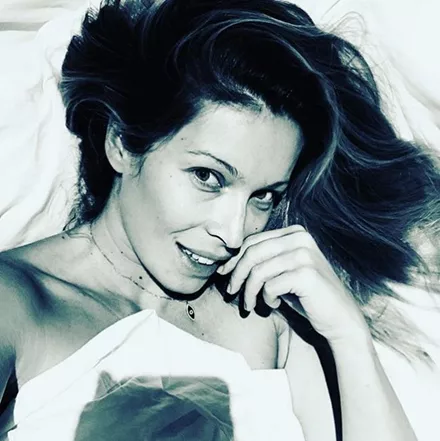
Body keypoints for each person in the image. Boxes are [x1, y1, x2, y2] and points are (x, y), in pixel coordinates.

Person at [0, 0, 439, 440]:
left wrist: (348, 334)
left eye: (264, 196)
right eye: (208, 177)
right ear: (122, 145)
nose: (232, 233)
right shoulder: (18, 301)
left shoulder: (267, 320)